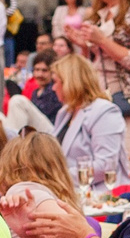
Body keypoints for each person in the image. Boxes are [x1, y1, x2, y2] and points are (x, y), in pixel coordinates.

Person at [48, 53, 125, 183]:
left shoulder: (105, 111)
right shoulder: (65, 112)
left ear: (70, 83)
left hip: (97, 193)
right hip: (67, 189)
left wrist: (57, 177)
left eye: (55, 82)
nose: (53, 88)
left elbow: (105, 165)